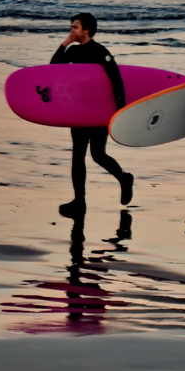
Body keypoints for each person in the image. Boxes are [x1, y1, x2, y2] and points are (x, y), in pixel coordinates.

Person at [51, 12, 133, 217]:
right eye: (71, 26)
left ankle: (124, 178)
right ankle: (79, 202)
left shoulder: (100, 52)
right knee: (78, 156)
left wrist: (118, 111)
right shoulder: (73, 51)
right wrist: (65, 44)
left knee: (98, 154)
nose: (72, 30)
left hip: (98, 112)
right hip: (79, 111)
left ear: (87, 29)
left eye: (75, 27)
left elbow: (117, 81)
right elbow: (52, 68)